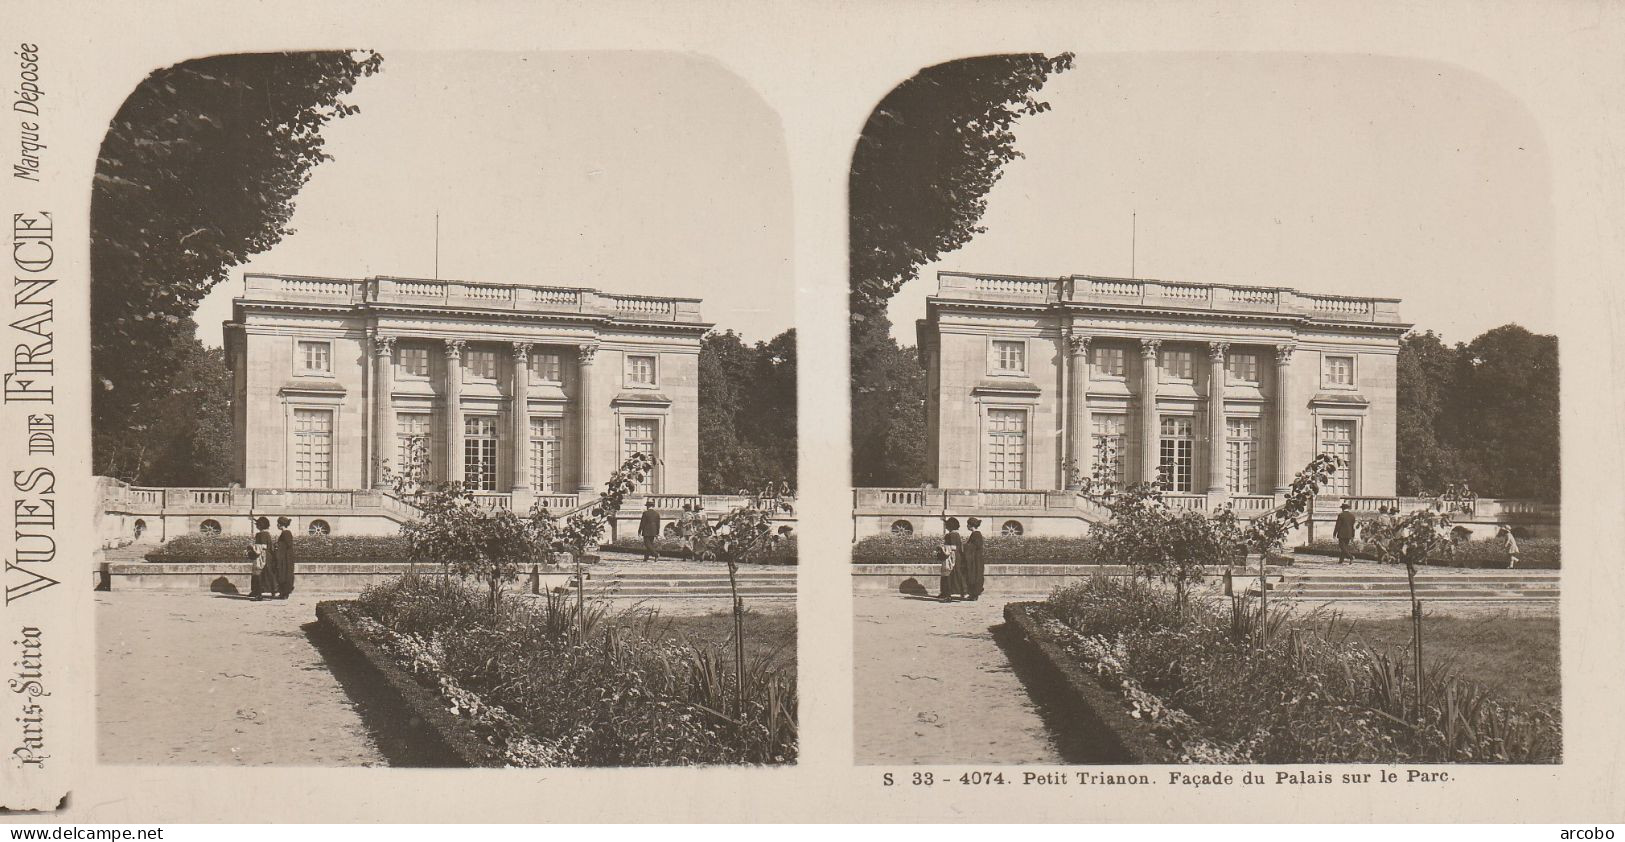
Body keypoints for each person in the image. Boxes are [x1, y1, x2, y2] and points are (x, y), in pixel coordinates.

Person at [247, 516, 278, 600]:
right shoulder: (267, 534)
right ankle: (273, 592)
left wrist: (251, 547)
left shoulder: (261, 534)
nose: (256, 526)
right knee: (269, 574)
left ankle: (258, 593)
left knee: (259, 574)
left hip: (262, 557)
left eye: (257, 524)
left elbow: (262, 546)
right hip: (268, 556)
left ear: (260, 526)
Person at [936, 517, 965, 603]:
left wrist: (941, 547)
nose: (946, 526)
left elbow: (953, 547)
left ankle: (947, 595)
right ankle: (945, 593)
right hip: (955, 557)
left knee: (948, 576)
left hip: (951, 557)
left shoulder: (951, 535)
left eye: (947, 525)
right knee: (949, 575)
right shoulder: (956, 534)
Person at [271, 516, 297, 599]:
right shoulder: (285, 533)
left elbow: (287, 545)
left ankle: (285, 593)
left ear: (281, 524)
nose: (277, 525)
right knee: (283, 574)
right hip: (285, 557)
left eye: (278, 524)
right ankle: (283, 592)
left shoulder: (286, 533)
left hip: (286, 558)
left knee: (285, 574)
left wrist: (277, 546)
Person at [962, 517, 986, 601]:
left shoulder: (976, 534)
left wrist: (965, 546)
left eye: (968, 524)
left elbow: (975, 546)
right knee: (974, 575)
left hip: (975, 560)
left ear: (970, 525)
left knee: (974, 575)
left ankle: (974, 595)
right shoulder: (976, 534)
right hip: (975, 559)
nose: (967, 526)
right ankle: (973, 594)